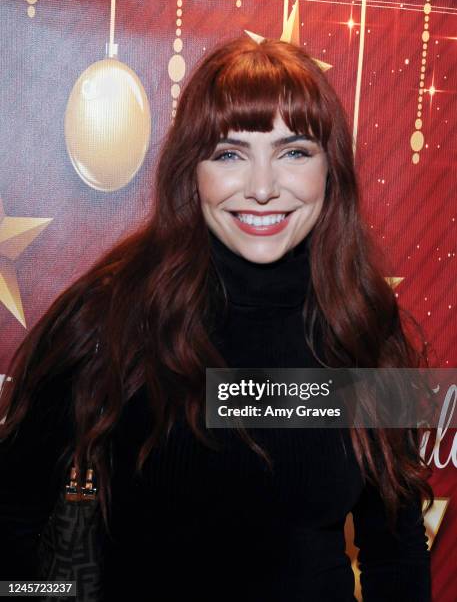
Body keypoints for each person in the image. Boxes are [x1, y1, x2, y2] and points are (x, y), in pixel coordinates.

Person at [0, 36, 434, 601]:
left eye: (294, 151)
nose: (260, 188)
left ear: (331, 169)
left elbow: (396, 550)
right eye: (230, 153)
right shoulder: (112, 314)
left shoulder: (365, 322)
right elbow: (10, 525)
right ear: (192, 171)